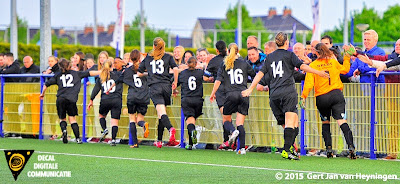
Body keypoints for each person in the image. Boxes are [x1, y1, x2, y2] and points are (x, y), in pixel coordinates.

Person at [242, 32, 329, 160]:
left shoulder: (270, 57)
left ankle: (290, 149)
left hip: (274, 96)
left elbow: (260, 74)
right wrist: (318, 72)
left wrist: (250, 89)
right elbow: (302, 66)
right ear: (287, 43)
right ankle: (287, 150)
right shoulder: (289, 55)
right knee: (291, 123)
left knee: (293, 126)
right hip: (288, 92)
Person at [300, 43, 356, 159]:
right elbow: (345, 70)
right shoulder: (333, 62)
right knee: (342, 121)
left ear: (316, 52)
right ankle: (351, 146)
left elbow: (309, 83)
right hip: (336, 94)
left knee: (325, 123)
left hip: (322, 97)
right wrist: (347, 56)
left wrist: (303, 96)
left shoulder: (313, 65)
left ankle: (329, 149)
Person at [40, 58, 100, 144]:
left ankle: (64, 131)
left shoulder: (58, 75)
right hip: (71, 99)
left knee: (62, 118)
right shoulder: (76, 73)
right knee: (72, 119)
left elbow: (46, 84)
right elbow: (89, 73)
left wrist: (42, 94)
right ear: (69, 65)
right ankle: (78, 138)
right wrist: (101, 72)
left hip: (60, 99)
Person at [210, 43, 256, 155]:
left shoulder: (224, 63)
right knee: (240, 123)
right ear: (238, 51)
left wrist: (213, 93)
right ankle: (242, 149)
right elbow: (254, 75)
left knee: (226, 120)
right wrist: (250, 88)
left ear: (227, 51)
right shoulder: (244, 63)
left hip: (230, 95)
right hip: (243, 94)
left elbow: (218, 80)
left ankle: (232, 131)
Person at [138, 37, 179, 148]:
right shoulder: (168, 57)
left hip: (155, 87)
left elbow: (139, 73)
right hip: (166, 86)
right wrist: (175, 82)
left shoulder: (148, 57)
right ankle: (159, 140)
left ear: (154, 46)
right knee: (161, 113)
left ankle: (171, 129)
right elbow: (176, 69)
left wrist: (150, 74)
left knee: (161, 113)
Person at [106, 49, 150, 148]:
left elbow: (118, 80)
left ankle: (134, 143)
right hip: (144, 96)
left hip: (132, 97)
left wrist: (109, 88)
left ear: (130, 58)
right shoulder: (146, 69)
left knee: (132, 120)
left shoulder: (128, 70)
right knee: (139, 119)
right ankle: (143, 124)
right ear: (140, 58)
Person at [203, 41, 234, 150]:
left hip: (221, 91)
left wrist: (212, 79)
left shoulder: (214, 61)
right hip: (234, 90)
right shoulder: (233, 59)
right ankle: (232, 139)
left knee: (225, 117)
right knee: (232, 117)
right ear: (226, 48)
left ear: (216, 50)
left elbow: (205, 77)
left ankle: (228, 139)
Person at [87, 59, 123, 146]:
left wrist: (91, 100)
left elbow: (96, 89)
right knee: (114, 121)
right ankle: (113, 140)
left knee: (101, 116)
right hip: (116, 99)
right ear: (112, 66)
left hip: (105, 99)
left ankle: (104, 128)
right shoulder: (118, 74)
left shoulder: (101, 76)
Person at [177, 57, 204, 150]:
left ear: (187, 64)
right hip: (198, 100)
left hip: (187, 99)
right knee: (192, 120)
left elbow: (175, 83)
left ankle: (192, 134)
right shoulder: (200, 72)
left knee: (189, 121)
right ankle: (191, 144)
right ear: (196, 64)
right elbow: (209, 77)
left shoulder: (183, 73)